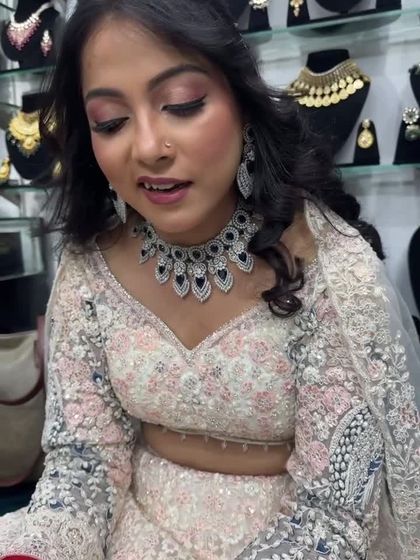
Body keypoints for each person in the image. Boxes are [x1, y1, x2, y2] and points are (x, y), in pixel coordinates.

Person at [0, 1, 419, 559]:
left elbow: (334, 514)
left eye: (182, 104)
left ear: (241, 102)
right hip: (128, 533)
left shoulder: (334, 272)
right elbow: (83, 464)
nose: (147, 148)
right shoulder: (89, 268)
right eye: (111, 122)